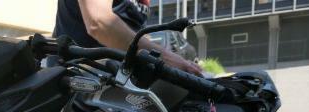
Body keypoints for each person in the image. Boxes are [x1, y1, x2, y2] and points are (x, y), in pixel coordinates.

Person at [54, 0, 203, 75]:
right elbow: (98, 23)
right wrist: (167, 59)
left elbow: (137, 33)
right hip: (78, 81)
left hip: (119, 81)